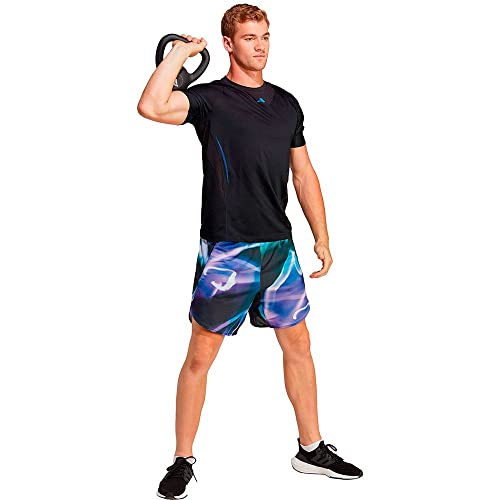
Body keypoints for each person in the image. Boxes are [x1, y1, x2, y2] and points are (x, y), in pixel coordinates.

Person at [137, 4, 363, 498]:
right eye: (249, 38)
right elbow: (152, 106)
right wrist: (179, 54)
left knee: (299, 346)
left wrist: (322, 236)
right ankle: (182, 459)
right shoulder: (208, 100)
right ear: (228, 44)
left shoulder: (286, 104)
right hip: (228, 250)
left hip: (279, 249)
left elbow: (303, 173)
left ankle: (311, 448)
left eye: (265, 36)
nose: (260, 46)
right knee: (201, 356)